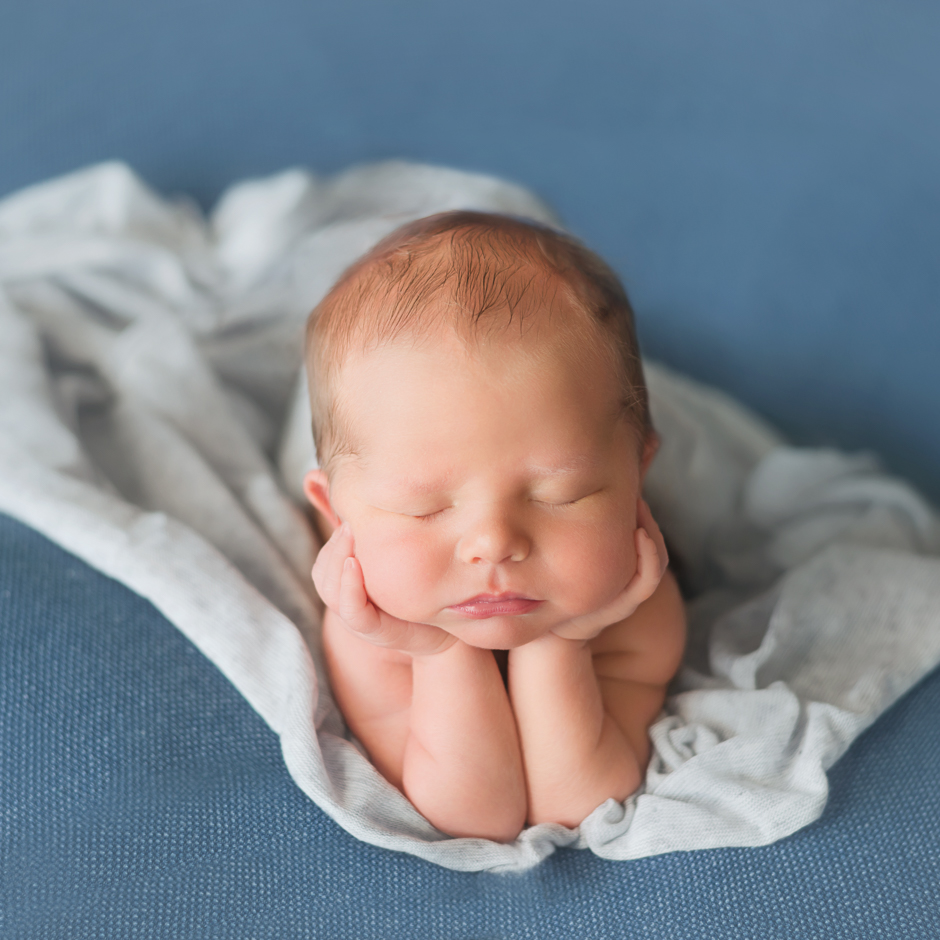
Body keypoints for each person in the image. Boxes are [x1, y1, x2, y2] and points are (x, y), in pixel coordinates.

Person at [302, 211, 686, 843]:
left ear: (636, 475)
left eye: (561, 494)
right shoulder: (368, 629)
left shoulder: (637, 604)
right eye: (424, 508)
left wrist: (563, 643)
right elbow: (470, 816)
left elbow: (580, 804)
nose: (494, 543)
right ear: (336, 512)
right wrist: (438, 653)